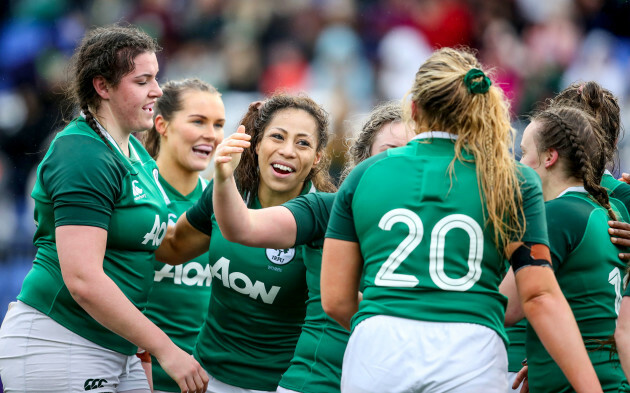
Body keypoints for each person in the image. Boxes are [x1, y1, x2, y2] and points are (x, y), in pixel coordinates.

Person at [320, 47, 602, 393]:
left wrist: (387, 323)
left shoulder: (365, 173)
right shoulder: (512, 178)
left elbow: (335, 299)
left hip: (378, 351)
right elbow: (539, 297)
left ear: (413, 108)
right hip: (471, 351)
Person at [0, 25, 208, 393]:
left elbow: (153, 252)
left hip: (118, 345)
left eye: (156, 78)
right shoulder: (82, 151)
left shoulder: (136, 152)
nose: (157, 91)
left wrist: (139, 348)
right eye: (142, 80)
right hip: (60, 339)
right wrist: (164, 348)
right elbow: (83, 280)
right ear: (103, 87)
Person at [212, 101, 413, 393]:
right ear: (363, 157)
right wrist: (222, 176)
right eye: (389, 152)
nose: (401, 163)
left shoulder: (443, 229)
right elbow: (241, 227)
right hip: (316, 382)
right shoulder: (328, 208)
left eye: (412, 152)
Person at [156, 94, 335, 393]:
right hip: (204, 377)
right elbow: (172, 248)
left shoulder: (326, 217)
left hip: (279, 385)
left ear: (317, 157)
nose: (288, 151)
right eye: (277, 137)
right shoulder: (227, 191)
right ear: (257, 143)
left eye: (303, 143)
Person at [516, 105, 630, 392]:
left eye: (523, 153)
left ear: (549, 157)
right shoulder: (610, 209)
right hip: (611, 377)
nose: (519, 164)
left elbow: (508, 307)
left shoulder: (556, 214)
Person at [141, 78, 225, 393]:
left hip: (206, 381)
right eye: (198, 121)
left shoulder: (224, 203)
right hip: (132, 376)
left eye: (218, 125)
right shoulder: (133, 194)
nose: (211, 135)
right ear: (161, 124)